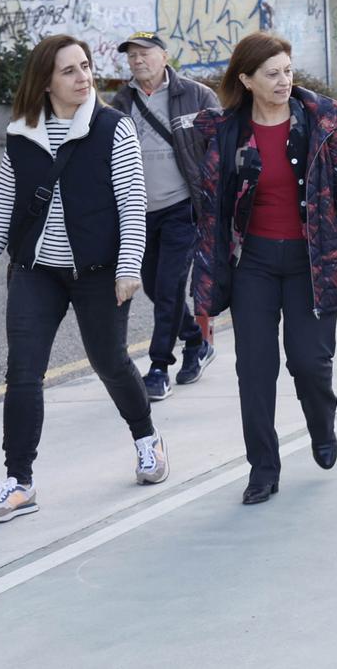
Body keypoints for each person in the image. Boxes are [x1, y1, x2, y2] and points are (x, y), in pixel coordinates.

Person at [0, 34, 162, 524]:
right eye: (70, 70)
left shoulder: (112, 129)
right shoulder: (21, 134)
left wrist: (128, 267)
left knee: (109, 361)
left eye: (86, 66)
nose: (83, 77)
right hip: (35, 272)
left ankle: (146, 439)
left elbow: (132, 205)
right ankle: (19, 482)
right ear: (46, 82)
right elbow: (5, 210)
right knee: (23, 372)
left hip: (99, 273)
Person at [192, 32, 337, 505]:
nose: (283, 81)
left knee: (309, 362)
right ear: (246, 80)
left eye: (288, 71)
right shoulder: (225, 131)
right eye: (272, 74)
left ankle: (321, 424)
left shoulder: (321, 122)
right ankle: (262, 469)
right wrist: (207, 280)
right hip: (252, 264)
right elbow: (211, 213)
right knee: (254, 370)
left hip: (311, 263)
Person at [110, 31, 219, 401]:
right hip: (139, 212)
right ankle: (195, 340)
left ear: (164, 56)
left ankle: (159, 367)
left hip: (182, 207)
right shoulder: (120, 102)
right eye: (132, 56)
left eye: (144, 53)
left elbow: (219, 148)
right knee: (157, 288)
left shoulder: (196, 95)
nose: (137, 60)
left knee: (170, 285)